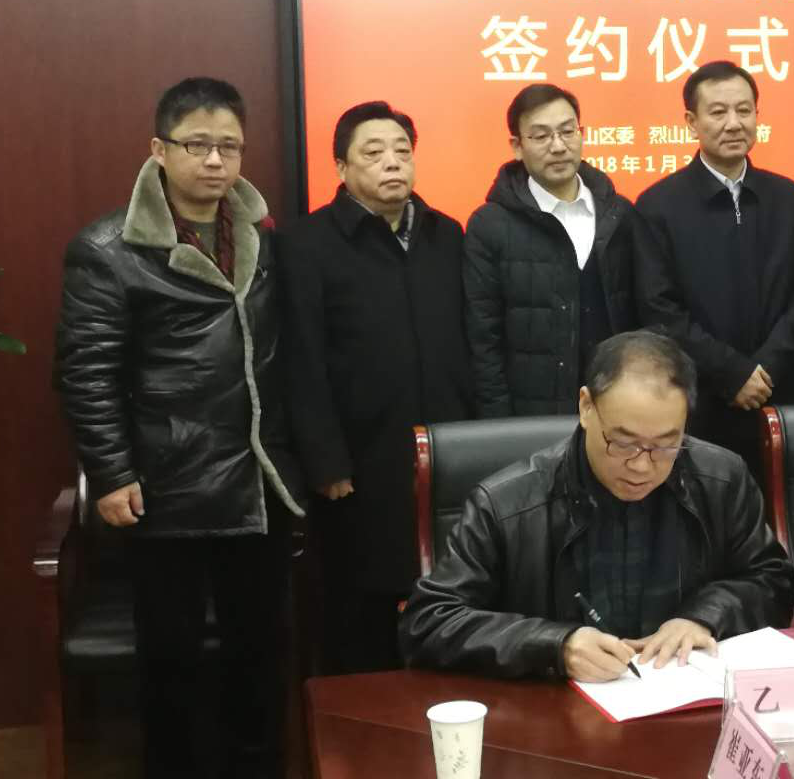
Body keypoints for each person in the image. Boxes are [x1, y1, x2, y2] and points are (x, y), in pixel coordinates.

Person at [54, 77, 304, 778]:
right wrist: (111, 473)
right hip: (165, 488)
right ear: (159, 149)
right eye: (198, 144)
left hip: (257, 479)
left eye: (229, 146)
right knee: (172, 662)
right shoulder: (107, 247)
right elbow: (85, 371)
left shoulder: (262, 237)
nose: (216, 161)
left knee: (261, 654)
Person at [398, 330, 794, 679]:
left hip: (679, 701)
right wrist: (555, 646)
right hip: (553, 717)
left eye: (665, 445)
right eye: (622, 442)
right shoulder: (507, 504)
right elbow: (428, 622)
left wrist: (703, 617)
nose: (641, 466)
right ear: (586, 407)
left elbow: (772, 582)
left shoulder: (721, 479)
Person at [278, 100, 474, 673]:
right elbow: (300, 359)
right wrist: (325, 461)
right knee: (358, 608)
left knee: (448, 592)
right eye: (373, 152)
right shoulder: (306, 243)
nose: (393, 162)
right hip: (359, 459)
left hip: (443, 450)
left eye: (402, 151)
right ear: (341, 167)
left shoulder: (447, 234)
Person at [633, 61, 794, 473]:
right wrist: (732, 373)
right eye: (718, 112)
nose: (734, 123)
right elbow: (659, 310)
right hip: (697, 404)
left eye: (744, 110)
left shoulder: (790, 199)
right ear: (691, 122)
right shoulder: (657, 206)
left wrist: (765, 370)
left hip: (779, 399)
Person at [464, 84, 635, 417]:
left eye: (567, 132)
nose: (558, 146)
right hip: (531, 414)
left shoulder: (620, 214)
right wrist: (498, 423)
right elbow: (483, 337)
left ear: (581, 134)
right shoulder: (490, 225)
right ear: (517, 146)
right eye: (541, 136)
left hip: (614, 406)